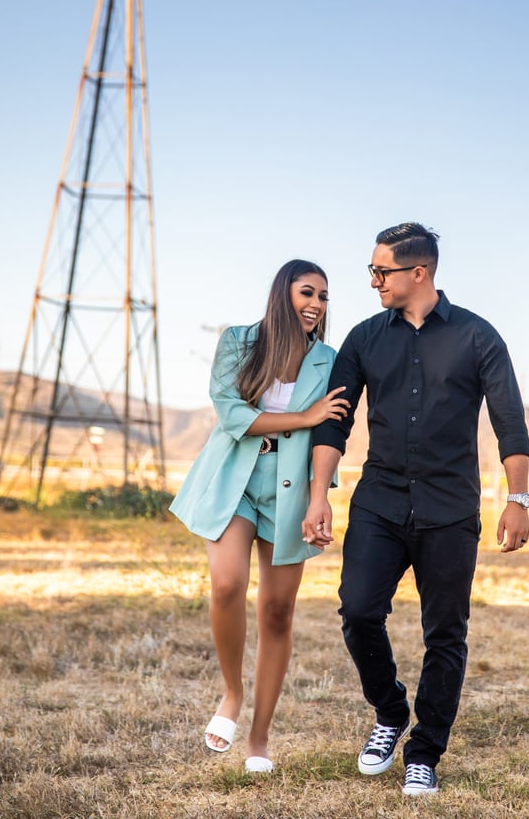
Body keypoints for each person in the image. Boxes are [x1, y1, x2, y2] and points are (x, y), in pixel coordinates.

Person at [302, 223, 529, 797]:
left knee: (445, 635)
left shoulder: (478, 336)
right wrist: (318, 494)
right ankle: (390, 711)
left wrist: (517, 499)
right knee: (358, 611)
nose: (373, 282)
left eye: (381, 272)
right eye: (373, 271)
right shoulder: (363, 338)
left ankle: (424, 752)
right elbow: (335, 423)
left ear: (419, 273)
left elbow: (509, 421)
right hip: (379, 502)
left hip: (449, 510)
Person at [170, 259, 348, 773]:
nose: (315, 305)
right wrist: (304, 416)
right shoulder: (238, 342)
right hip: (235, 480)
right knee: (227, 584)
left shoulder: (329, 361)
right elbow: (232, 415)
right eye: (307, 292)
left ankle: (259, 738)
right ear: (282, 293)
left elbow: (329, 433)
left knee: (276, 611)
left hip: (292, 491)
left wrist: (319, 497)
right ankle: (232, 693)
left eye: (323, 297)